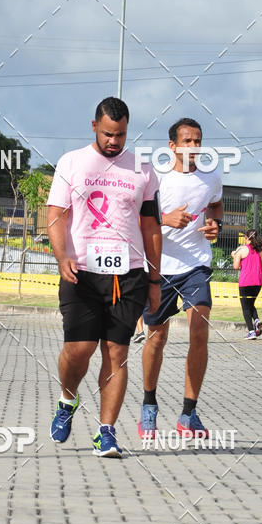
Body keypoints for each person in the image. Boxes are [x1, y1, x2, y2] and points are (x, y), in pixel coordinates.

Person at [47, 96, 162, 458]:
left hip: (127, 274)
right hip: (80, 271)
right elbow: (56, 214)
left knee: (116, 353)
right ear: (94, 125)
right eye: (109, 133)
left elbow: (150, 225)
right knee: (78, 350)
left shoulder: (142, 170)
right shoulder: (72, 162)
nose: (115, 141)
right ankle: (67, 399)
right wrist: (62, 255)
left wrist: (155, 280)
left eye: (122, 135)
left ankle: (106, 432)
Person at [138, 118, 223, 439]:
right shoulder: (155, 177)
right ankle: (149, 406)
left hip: (196, 266)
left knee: (199, 328)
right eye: (186, 141)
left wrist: (215, 225)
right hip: (159, 266)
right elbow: (137, 217)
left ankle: (189, 413)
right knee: (156, 338)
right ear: (172, 146)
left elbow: (215, 205)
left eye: (197, 141)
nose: (193, 147)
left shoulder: (211, 177)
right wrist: (164, 219)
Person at [232, 231, 262, 339]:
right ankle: (256, 320)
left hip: (245, 282)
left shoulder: (241, 249)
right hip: (258, 282)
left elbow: (236, 266)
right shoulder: (260, 250)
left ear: (245, 237)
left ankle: (251, 331)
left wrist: (234, 256)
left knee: (245, 307)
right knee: (250, 303)